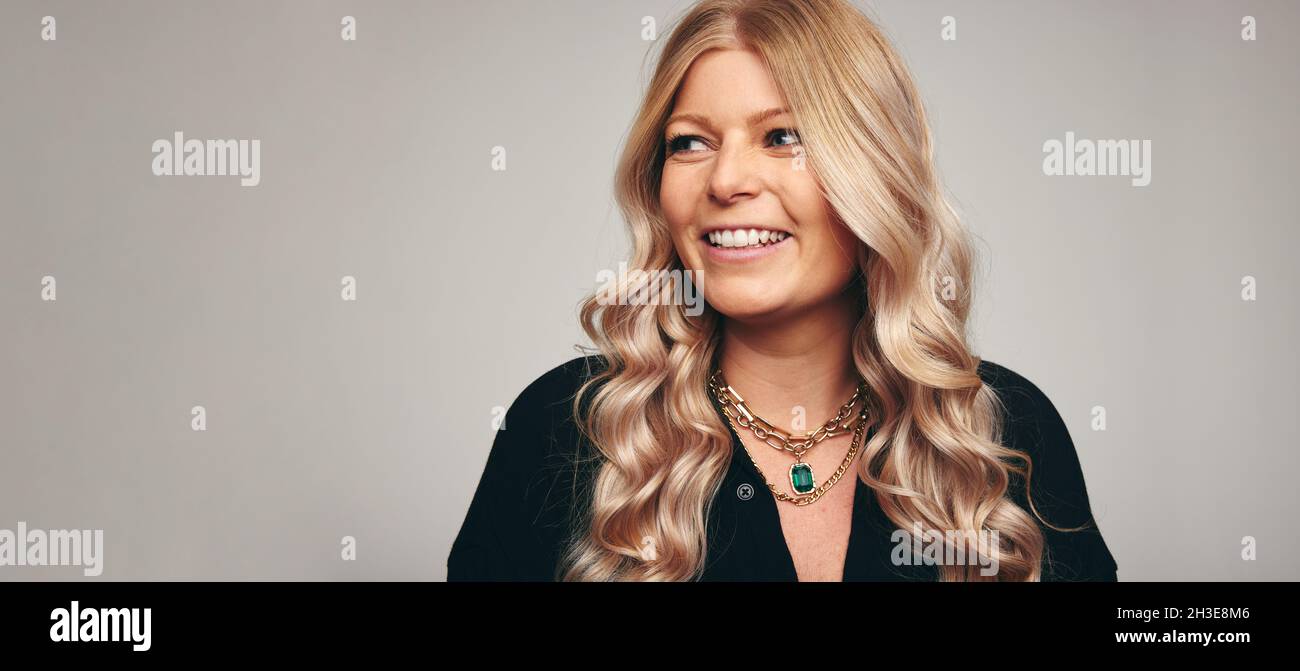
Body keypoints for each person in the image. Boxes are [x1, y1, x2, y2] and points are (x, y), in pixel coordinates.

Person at [448, 0, 1118, 582]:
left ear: (873, 173)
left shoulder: (1002, 434)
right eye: (690, 143)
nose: (726, 179)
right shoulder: (563, 434)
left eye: (783, 136)